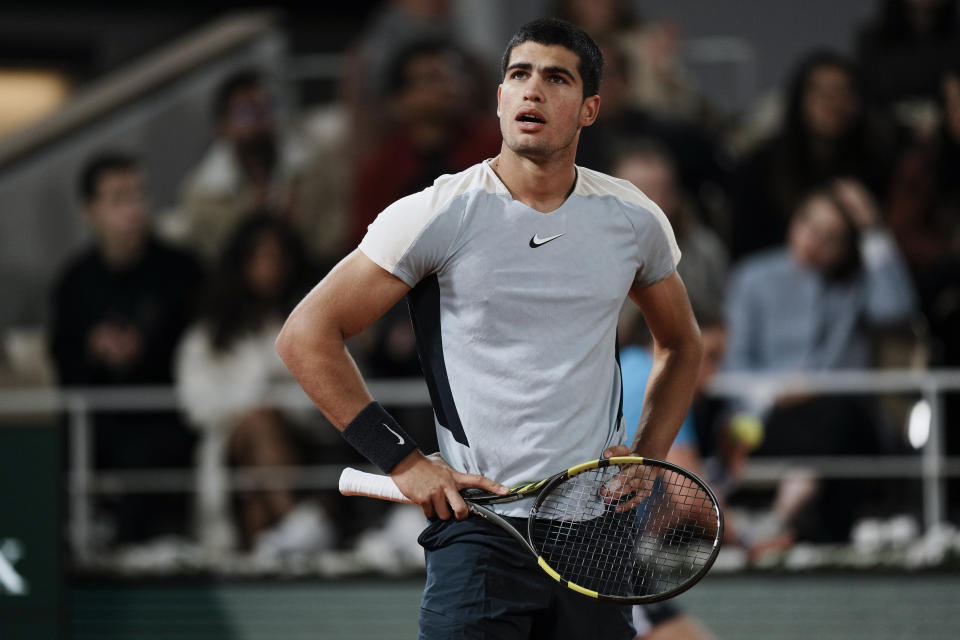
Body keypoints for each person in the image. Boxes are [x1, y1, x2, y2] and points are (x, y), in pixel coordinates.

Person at [276, 18, 702, 640]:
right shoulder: (437, 212)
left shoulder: (633, 219)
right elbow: (305, 335)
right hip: (479, 532)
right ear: (499, 98)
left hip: (593, 534)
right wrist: (402, 460)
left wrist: (649, 455)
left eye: (556, 79)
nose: (532, 91)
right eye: (518, 75)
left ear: (589, 110)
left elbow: (682, 342)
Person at [723, 180, 917, 547]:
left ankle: (784, 513)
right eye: (810, 227)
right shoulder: (753, 277)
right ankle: (792, 504)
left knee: (836, 412)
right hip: (770, 416)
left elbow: (896, 308)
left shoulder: (852, 283)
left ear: (847, 248)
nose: (815, 242)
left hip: (842, 417)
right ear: (794, 221)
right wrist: (778, 390)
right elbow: (735, 364)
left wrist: (873, 230)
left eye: (832, 238)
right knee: (810, 422)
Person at [49, 152, 203, 545]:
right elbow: (63, 363)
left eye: (139, 195)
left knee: (153, 448)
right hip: (97, 418)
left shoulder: (182, 270)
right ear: (89, 211)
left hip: (168, 411)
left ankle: (132, 550)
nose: (134, 209)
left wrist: (145, 349)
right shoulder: (74, 282)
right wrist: (94, 350)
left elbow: (201, 352)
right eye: (118, 199)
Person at [175, 214, 333, 556]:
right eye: (260, 257)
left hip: (300, 439)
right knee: (259, 424)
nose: (269, 267)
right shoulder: (209, 336)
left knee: (257, 478)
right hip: (229, 441)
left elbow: (329, 389)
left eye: (277, 257)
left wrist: (281, 406)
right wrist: (251, 405)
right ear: (241, 263)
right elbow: (195, 404)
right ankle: (294, 520)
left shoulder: (308, 322)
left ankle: (266, 545)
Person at [730, 51, 897, 261]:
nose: (834, 103)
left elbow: (886, 251)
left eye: (844, 92)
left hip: (853, 281)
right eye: (823, 93)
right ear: (800, 99)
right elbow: (746, 252)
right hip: (779, 279)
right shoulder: (760, 166)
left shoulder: (877, 165)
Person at [612, 140, 728, 323]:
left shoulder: (704, 250)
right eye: (643, 192)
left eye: (665, 192)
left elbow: (724, 323)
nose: (656, 203)